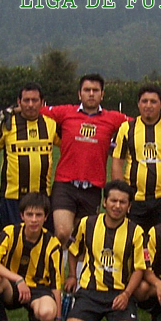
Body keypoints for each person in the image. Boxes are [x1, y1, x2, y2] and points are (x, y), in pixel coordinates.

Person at [40, 74, 129, 246]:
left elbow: (139, 124)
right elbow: (34, 110)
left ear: (102, 94)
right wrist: (13, 111)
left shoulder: (113, 118)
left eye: (95, 90)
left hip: (93, 187)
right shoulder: (66, 112)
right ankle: (58, 263)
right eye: (87, 90)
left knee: (84, 239)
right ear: (79, 94)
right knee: (62, 233)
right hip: (65, 184)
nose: (91, 94)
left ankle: (76, 265)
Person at [63, 180, 146, 321]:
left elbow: (139, 268)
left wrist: (126, 294)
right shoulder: (87, 223)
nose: (117, 206)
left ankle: (119, 316)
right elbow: (73, 250)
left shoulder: (136, 232)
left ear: (129, 206)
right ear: (104, 202)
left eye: (122, 202)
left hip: (119, 292)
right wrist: (72, 275)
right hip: (90, 291)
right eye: (113, 201)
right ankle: (82, 310)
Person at [111, 83, 161, 231]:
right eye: (144, 101)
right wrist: (122, 196)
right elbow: (117, 162)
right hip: (135, 200)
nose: (148, 105)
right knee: (134, 241)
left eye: (153, 101)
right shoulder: (126, 129)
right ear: (138, 104)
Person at [0, 193, 63, 321]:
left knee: (47, 313)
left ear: (46, 217)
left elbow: (56, 284)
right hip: (12, 287)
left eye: (38, 215)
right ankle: (1, 320)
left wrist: (58, 319)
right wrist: (18, 279)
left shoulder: (53, 244)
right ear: (22, 216)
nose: (34, 220)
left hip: (38, 289)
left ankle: (35, 315)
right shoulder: (9, 233)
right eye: (29, 214)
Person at [0, 83, 59, 239]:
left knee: (42, 245)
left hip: (42, 198)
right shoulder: (7, 125)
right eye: (26, 100)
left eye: (34, 100)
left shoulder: (51, 125)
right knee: (7, 243)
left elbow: (71, 146)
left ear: (42, 102)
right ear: (19, 102)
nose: (30, 104)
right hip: (12, 198)